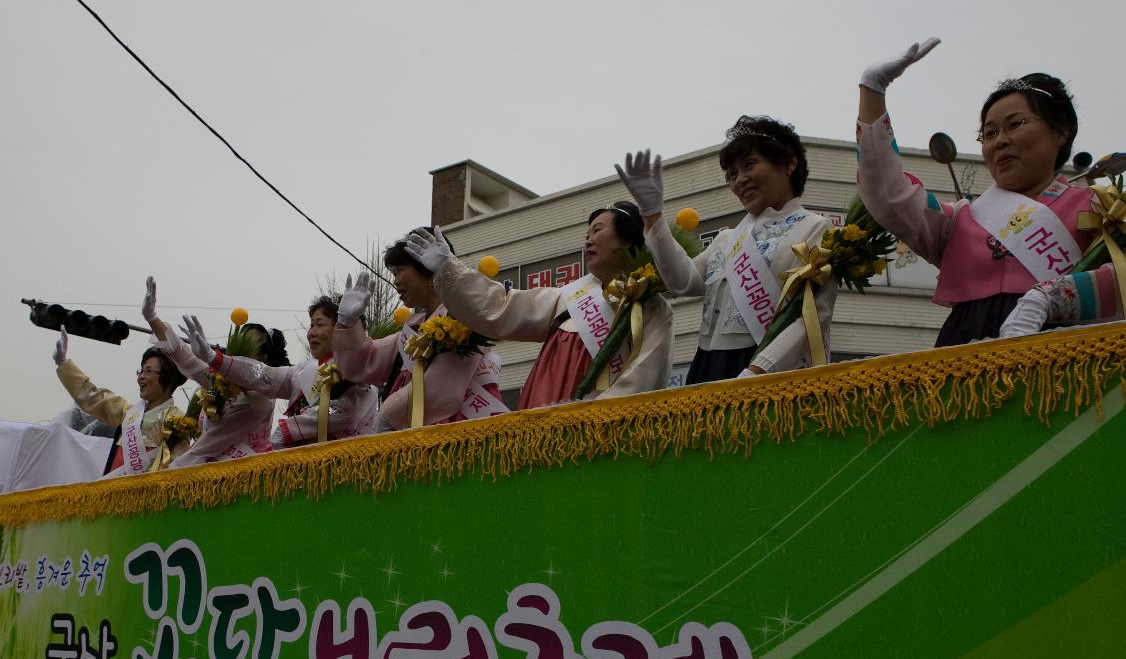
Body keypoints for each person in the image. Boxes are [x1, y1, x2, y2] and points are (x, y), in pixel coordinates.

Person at [856, 39, 1119, 344]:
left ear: (1061, 131)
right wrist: (872, 91)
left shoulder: (1102, 206)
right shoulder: (958, 220)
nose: (1000, 140)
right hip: (965, 352)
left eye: (1015, 124)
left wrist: (1050, 299)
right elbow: (887, 193)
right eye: (990, 133)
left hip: (1063, 354)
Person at [617, 118, 840, 382]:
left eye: (749, 165)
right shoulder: (726, 240)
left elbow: (813, 316)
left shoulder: (816, 229)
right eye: (732, 174)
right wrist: (652, 215)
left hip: (769, 368)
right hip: (707, 365)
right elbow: (681, 281)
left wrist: (756, 372)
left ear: (789, 162)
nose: (740, 180)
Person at [404, 202, 673, 408]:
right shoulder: (568, 297)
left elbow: (646, 375)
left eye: (598, 230)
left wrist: (592, 419)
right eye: (586, 233)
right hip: (541, 420)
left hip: (600, 433)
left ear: (626, 239)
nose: (588, 239)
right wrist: (448, 270)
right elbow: (501, 308)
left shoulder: (652, 306)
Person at [331, 231, 508, 429]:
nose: (395, 281)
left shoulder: (464, 318)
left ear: (427, 266)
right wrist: (347, 323)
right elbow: (363, 363)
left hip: (459, 436)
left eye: (400, 270)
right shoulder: (412, 331)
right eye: (394, 274)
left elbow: (441, 388)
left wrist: (387, 416)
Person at [177, 297, 378, 447]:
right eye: (311, 325)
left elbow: (345, 412)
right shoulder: (301, 372)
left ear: (341, 329)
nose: (311, 333)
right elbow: (261, 376)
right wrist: (214, 358)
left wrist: (289, 430)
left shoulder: (360, 373)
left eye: (319, 324)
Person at [141, 277, 290, 466]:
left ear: (262, 359)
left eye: (248, 348)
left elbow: (207, 447)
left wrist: (166, 477)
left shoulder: (259, 398)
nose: (239, 357)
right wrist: (152, 317)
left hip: (245, 478)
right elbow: (185, 356)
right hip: (211, 472)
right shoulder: (223, 383)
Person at [52, 327, 189, 476]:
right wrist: (63, 364)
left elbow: (179, 467)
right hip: (115, 491)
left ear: (167, 378)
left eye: (148, 371)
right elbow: (93, 398)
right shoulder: (130, 414)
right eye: (141, 371)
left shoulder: (177, 421)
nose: (141, 377)